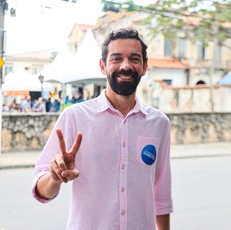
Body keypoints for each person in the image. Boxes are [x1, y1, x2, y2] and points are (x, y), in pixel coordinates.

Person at [32, 27, 173, 230]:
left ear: (144, 67)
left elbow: (161, 195)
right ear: (102, 66)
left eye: (134, 59)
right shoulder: (75, 117)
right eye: (116, 59)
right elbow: (40, 190)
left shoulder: (159, 123)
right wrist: (54, 178)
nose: (125, 66)